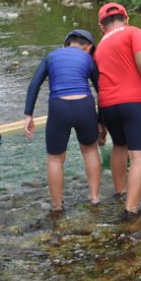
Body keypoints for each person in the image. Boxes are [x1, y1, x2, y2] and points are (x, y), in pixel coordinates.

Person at [93, 2, 141, 221]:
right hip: (133, 101)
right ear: (126, 18)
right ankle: (131, 210)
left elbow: (98, 82)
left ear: (101, 26)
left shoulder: (99, 47)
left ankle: (120, 192)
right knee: (139, 156)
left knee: (119, 146)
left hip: (107, 105)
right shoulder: (133, 32)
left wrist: (100, 121)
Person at [23, 29, 104, 211]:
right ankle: (94, 197)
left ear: (66, 44)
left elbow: (34, 84)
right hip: (84, 105)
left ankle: (57, 206)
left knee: (55, 159)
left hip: (59, 106)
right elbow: (101, 89)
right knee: (90, 150)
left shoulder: (51, 56)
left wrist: (29, 114)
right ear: (89, 47)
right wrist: (101, 120)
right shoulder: (88, 58)